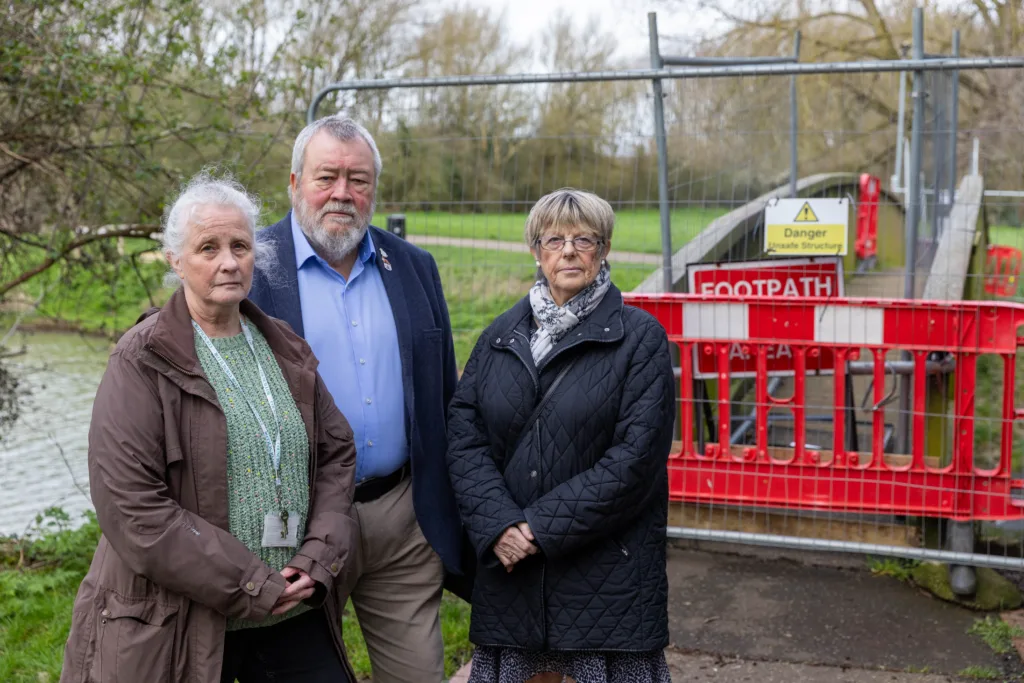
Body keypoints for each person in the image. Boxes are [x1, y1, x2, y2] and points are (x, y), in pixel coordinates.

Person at [60, 172, 359, 683]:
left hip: (292, 606)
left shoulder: (282, 346)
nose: (228, 261)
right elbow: (132, 506)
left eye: (240, 245)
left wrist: (316, 558)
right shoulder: (141, 359)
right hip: (182, 620)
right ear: (176, 261)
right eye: (208, 247)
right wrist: (249, 582)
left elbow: (335, 454)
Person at [249, 115, 468, 682]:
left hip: (401, 515)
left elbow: (444, 392)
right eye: (327, 177)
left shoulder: (414, 267)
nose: (343, 193)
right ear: (294, 183)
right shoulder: (250, 267)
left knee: (418, 674)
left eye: (359, 180)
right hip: (298, 518)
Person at [447, 188, 676, 683]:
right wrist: (500, 526)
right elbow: (465, 439)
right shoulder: (499, 336)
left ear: (604, 248)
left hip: (605, 579)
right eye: (554, 239)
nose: (568, 251)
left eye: (584, 239)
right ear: (536, 251)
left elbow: (635, 461)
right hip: (513, 572)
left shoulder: (641, 339)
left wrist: (535, 531)